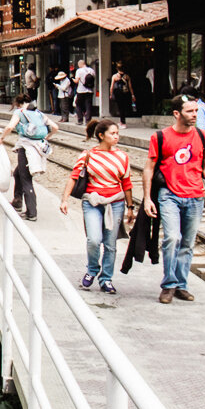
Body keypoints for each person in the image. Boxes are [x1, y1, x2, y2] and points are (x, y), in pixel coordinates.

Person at [143, 95, 205, 303]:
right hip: (169, 194)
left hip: (195, 196)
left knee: (187, 242)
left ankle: (181, 285)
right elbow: (148, 169)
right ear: (177, 114)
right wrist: (148, 198)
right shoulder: (160, 137)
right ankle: (168, 284)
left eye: (196, 111)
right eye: (189, 111)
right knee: (172, 238)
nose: (194, 115)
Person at [60, 119, 134, 294]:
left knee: (110, 244)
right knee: (93, 239)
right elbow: (73, 177)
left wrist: (130, 207)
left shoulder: (122, 156)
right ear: (101, 135)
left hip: (115, 203)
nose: (116, 136)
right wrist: (64, 199)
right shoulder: (88, 155)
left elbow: (127, 183)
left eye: (117, 133)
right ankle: (92, 269)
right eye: (112, 133)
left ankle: (106, 278)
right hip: (92, 202)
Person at [1, 94, 57, 220]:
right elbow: (55, 127)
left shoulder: (19, 112)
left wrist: (1, 138)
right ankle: (17, 201)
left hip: (26, 148)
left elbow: (10, 126)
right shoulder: (38, 113)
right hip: (39, 147)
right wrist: (47, 137)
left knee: (26, 178)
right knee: (17, 174)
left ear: (18, 103)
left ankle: (31, 213)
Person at [73, 59, 96, 124]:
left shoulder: (79, 71)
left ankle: (80, 120)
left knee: (78, 104)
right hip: (90, 90)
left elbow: (77, 81)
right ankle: (88, 120)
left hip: (81, 90)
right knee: (88, 105)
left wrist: (73, 80)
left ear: (80, 64)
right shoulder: (92, 70)